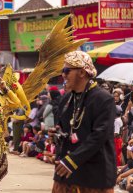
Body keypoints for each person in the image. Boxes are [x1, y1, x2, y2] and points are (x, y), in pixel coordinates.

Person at [52, 51, 117, 193]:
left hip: (93, 176)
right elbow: (66, 129)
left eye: (67, 71)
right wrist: (57, 135)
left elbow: (99, 136)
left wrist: (72, 160)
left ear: (82, 73)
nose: (63, 75)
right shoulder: (66, 98)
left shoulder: (104, 99)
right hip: (66, 173)